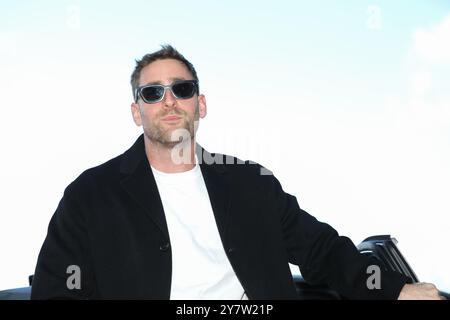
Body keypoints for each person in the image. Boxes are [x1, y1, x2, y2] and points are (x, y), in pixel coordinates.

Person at [31, 45, 443, 300]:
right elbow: (58, 290)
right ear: (137, 112)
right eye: (153, 92)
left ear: (201, 104)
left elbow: (322, 250)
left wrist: (396, 290)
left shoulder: (250, 183)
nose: (170, 100)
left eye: (183, 89)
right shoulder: (91, 195)